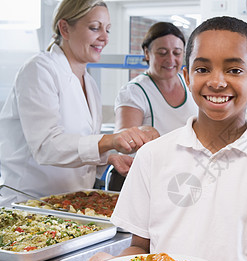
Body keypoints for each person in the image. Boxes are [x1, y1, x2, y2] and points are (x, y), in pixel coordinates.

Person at [83, 16, 247, 261]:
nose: (217, 82)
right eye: (203, 68)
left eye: (234, 70)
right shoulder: (153, 156)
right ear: (187, 75)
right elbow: (140, 248)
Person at [0, 0, 153, 200]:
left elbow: (76, 148)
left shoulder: (89, 83)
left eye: (107, 30)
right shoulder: (39, 69)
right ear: (65, 28)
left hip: (73, 202)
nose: (104, 38)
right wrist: (109, 140)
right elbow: (46, 146)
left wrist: (108, 158)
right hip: (29, 202)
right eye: (94, 28)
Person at [107, 22, 198, 190]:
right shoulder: (134, 91)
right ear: (147, 53)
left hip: (182, 178)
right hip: (143, 180)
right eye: (162, 53)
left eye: (177, 53)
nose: (170, 59)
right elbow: (122, 140)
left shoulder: (191, 85)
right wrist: (142, 133)